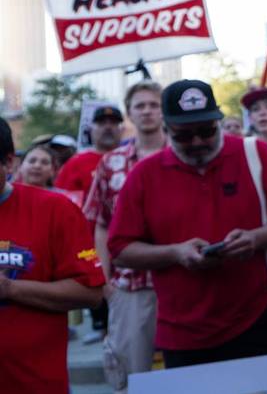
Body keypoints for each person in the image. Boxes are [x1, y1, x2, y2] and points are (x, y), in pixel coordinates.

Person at [109, 80, 267, 368]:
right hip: (182, 334)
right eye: (184, 135)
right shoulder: (144, 175)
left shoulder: (257, 155)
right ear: (166, 130)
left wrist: (255, 238)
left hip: (259, 320)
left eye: (206, 131)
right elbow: (120, 249)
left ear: (218, 123)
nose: (197, 142)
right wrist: (175, 253)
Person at [0, 118, 106, 394]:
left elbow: (90, 292)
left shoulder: (56, 210)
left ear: (9, 163)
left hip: (33, 383)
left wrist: (10, 288)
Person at [82, 80, 166, 393]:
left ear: (164, 111)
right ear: (130, 113)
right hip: (130, 285)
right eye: (140, 105)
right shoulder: (110, 163)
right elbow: (100, 225)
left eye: (154, 105)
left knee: (189, 371)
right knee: (134, 377)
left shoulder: (185, 153)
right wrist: (104, 282)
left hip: (185, 281)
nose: (147, 111)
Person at [55, 103, 125, 199]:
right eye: (102, 123)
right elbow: (61, 201)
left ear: (122, 130)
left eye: (113, 123)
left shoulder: (132, 160)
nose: (108, 127)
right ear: (91, 130)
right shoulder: (76, 163)